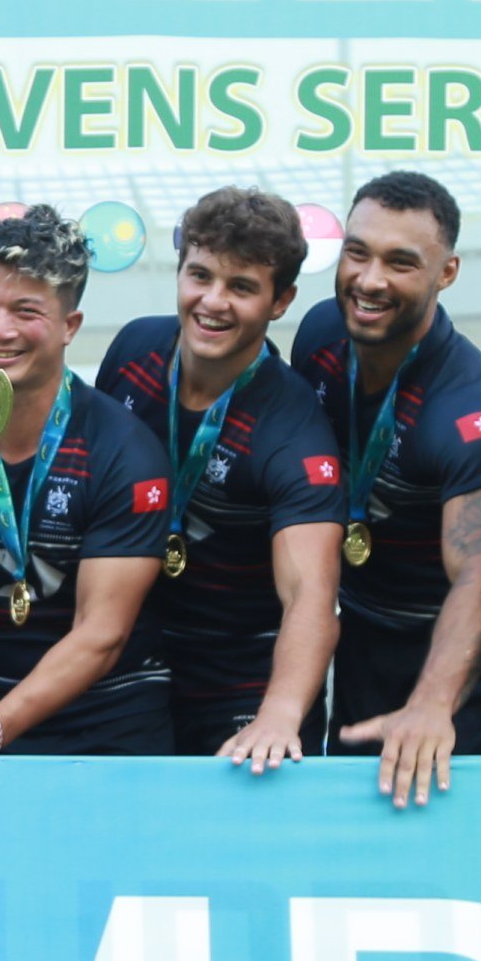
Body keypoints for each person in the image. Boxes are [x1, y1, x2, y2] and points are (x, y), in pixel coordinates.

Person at [288, 171, 481, 805]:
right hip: (367, 642)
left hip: (465, 671)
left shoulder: (468, 415)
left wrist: (432, 704)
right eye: (358, 253)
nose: (370, 281)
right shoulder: (319, 334)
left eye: (401, 263)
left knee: (449, 871)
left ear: (446, 272)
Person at [0, 204, 174, 754]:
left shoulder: (124, 450)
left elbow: (103, 634)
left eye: (26, 311)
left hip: (107, 730)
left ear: (69, 326)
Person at [87, 187, 344, 763]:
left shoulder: (294, 428)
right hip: (134, 662)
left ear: (281, 302)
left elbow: (311, 595)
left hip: (243, 681)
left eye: (242, 287)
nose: (213, 301)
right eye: (199, 275)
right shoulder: (133, 349)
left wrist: (280, 713)